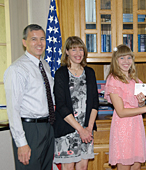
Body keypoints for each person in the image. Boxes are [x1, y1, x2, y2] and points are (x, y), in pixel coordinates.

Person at [4, 24, 55, 170]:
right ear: (24, 42)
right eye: (34, 39)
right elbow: (13, 110)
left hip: (47, 126)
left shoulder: (44, 65)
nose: (39, 43)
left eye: (42, 39)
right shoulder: (17, 69)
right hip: (30, 129)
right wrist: (21, 143)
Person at [104, 44, 146, 170]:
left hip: (136, 125)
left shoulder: (135, 80)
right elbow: (121, 111)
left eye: (128, 58)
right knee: (125, 165)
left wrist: (142, 102)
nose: (126, 61)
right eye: (122, 58)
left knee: (136, 166)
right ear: (116, 60)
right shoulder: (113, 79)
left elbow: (138, 104)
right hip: (123, 127)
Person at [53, 36, 99, 170]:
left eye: (81, 49)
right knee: (68, 167)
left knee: (83, 167)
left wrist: (89, 128)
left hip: (87, 129)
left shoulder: (90, 72)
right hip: (68, 128)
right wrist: (80, 130)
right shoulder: (61, 73)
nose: (78, 53)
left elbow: (95, 103)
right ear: (67, 52)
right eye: (74, 50)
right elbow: (61, 105)